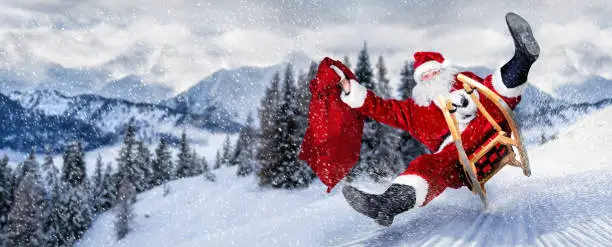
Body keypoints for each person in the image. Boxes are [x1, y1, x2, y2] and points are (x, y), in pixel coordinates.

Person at [335, 12, 540, 226]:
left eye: (433, 73)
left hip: (486, 128)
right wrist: (352, 91)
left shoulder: (462, 80)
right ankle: (387, 204)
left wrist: (468, 101)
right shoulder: (414, 109)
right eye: (424, 76)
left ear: (444, 70)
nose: (429, 78)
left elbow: (489, 92)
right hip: (455, 158)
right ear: (419, 82)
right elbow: (382, 109)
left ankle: (523, 59)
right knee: (429, 164)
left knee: (495, 94)